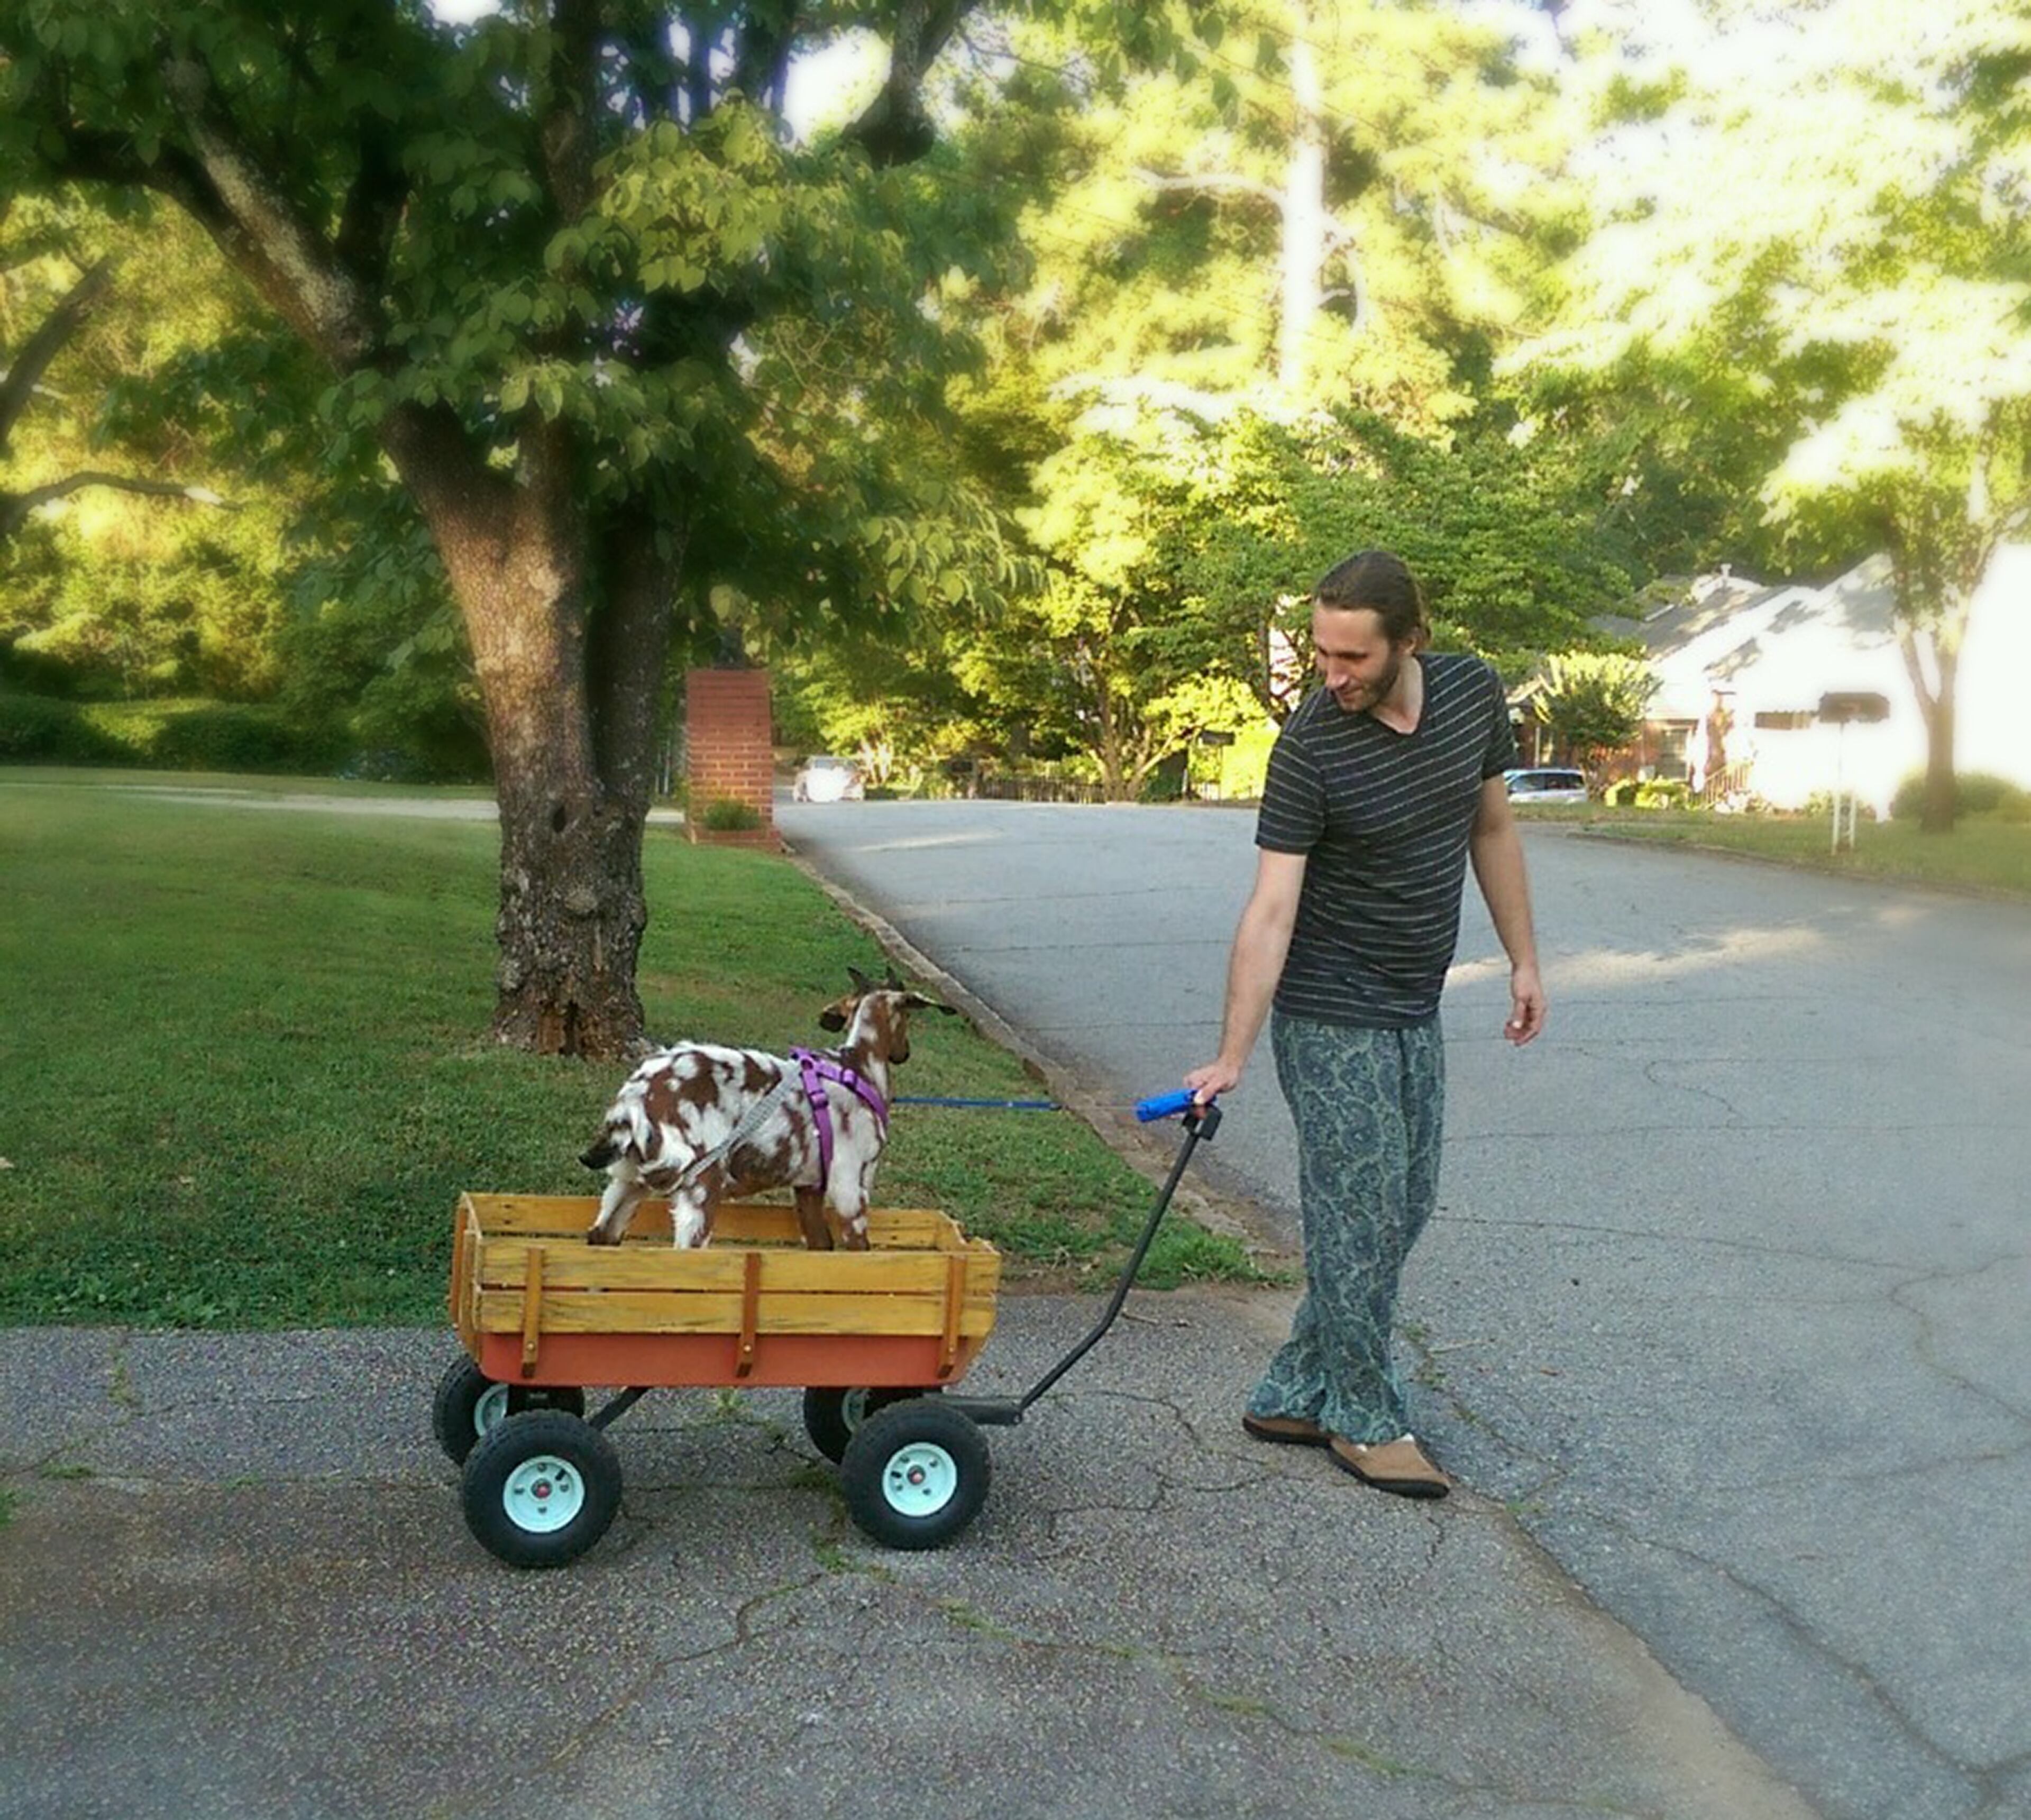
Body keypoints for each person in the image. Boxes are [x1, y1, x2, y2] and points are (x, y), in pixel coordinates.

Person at [1184, 548, 1544, 1499]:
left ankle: (1292, 1389)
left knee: (1404, 1204)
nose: (1329, 676)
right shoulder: (1309, 748)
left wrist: (1524, 959)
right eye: (1321, 654)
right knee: (1359, 1211)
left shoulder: (1470, 693)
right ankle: (1363, 1414)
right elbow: (1270, 910)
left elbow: (1492, 829)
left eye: (1351, 658)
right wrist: (1232, 1052)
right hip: (1329, 1005)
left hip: (1413, 1000)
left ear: (1409, 642)